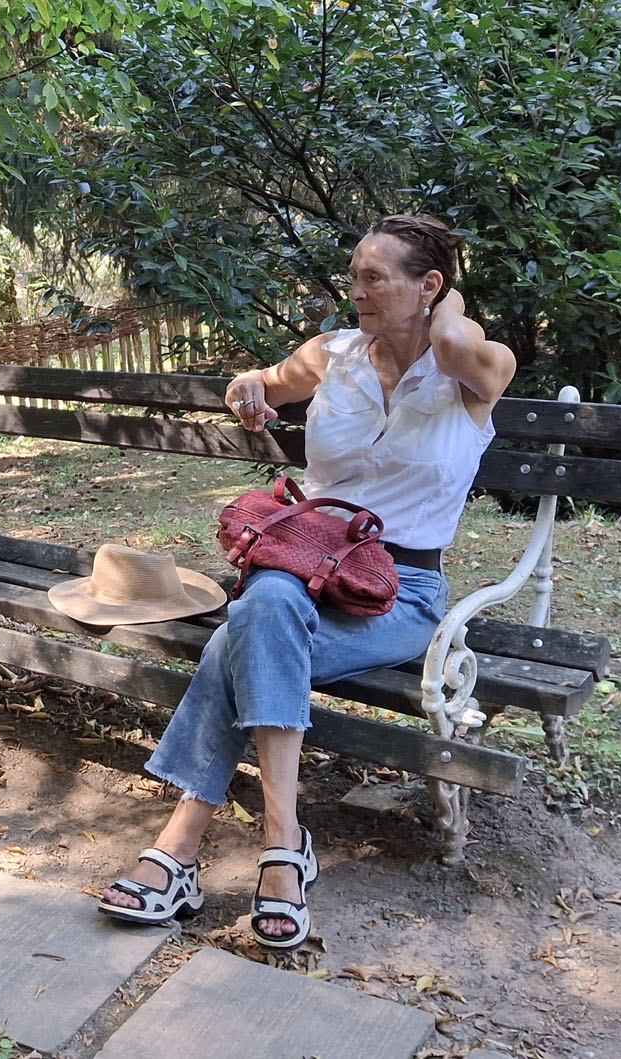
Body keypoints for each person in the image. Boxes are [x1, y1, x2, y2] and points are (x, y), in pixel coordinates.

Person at [97, 215, 516, 948]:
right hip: (302, 565)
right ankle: (282, 844)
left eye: (374, 278)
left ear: (429, 285)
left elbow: (451, 343)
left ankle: (181, 845)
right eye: (354, 276)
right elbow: (263, 382)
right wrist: (247, 389)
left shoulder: (475, 369)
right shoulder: (332, 354)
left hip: (402, 593)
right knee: (267, 605)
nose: (356, 291)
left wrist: (446, 305)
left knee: (242, 636)